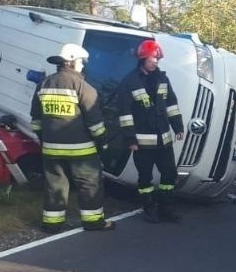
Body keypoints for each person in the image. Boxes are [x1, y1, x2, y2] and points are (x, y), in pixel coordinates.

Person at [30, 43, 115, 233]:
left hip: (51, 149)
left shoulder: (43, 85)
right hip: (82, 150)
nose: (83, 66)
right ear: (72, 62)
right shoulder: (84, 87)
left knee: (55, 185)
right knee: (90, 184)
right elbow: (96, 126)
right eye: (81, 62)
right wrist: (103, 143)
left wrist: (46, 140)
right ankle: (93, 222)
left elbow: (36, 121)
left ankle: (52, 224)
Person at [116, 40, 184, 223]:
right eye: (154, 58)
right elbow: (125, 113)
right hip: (142, 143)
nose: (156, 62)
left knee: (169, 174)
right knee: (145, 178)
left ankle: (165, 208)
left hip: (164, 140)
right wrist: (130, 139)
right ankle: (149, 208)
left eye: (158, 59)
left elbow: (172, 104)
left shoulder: (163, 78)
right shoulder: (130, 81)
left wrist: (178, 126)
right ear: (143, 58)